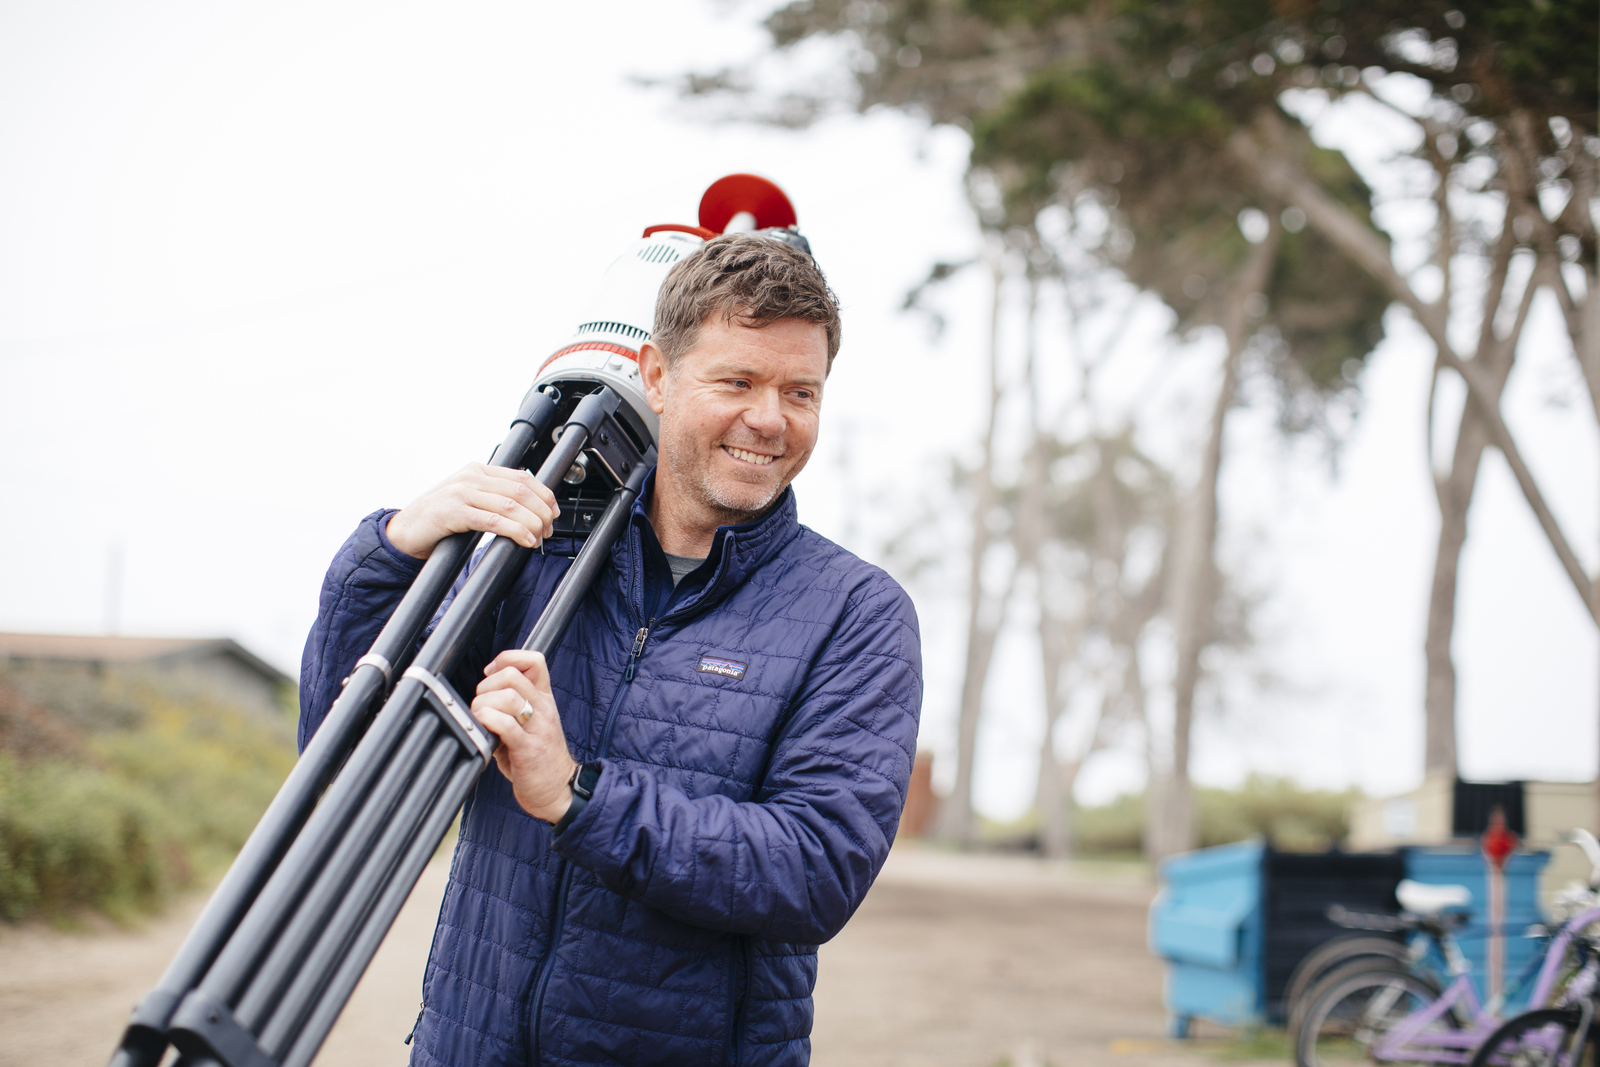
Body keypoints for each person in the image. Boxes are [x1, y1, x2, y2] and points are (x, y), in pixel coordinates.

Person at [299, 232, 923, 1067]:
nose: (770, 419)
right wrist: (393, 551)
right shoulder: (534, 558)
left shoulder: (856, 613)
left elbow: (815, 870)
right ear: (657, 378)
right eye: (737, 381)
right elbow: (347, 750)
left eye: (799, 392)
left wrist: (578, 795)